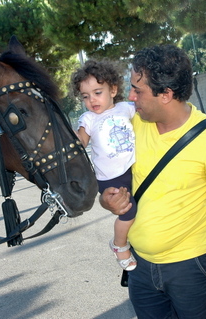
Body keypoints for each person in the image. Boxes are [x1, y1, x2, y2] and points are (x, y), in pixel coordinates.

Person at [100, 44, 206, 318]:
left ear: (166, 94)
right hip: (139, 267)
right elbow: (109, 182)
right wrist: (108, 201)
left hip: (192, 270)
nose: (130, 97)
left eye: (137, 91)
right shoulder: (129, 125)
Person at [71, 59, 138, 271]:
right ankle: (119, 245)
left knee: (141, 209)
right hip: (110, 177)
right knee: (128, 212)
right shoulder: (89, 118)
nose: (92, 100)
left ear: (113, 89)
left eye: (97, 92)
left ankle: (134, 244)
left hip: (132, 169)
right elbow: (80, 142)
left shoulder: (125, 108)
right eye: (85, 96)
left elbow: (146, 112)